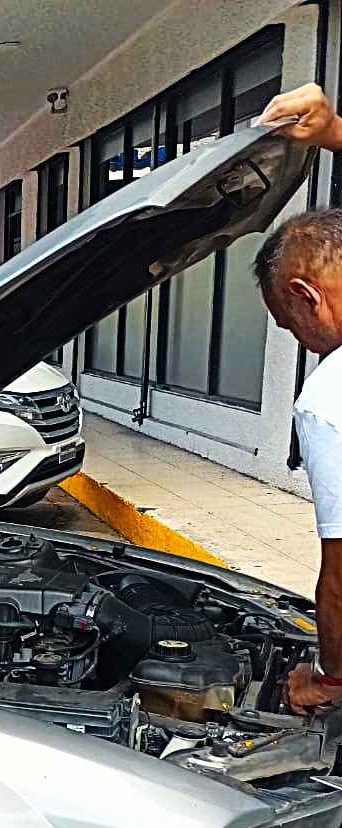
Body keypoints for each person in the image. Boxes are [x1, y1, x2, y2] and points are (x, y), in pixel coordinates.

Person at [255, 85, 342, 711]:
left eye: (291, 325)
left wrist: (330, 678)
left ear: (308, 295)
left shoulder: (332, 396)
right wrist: (334, 129)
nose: (306, 345)